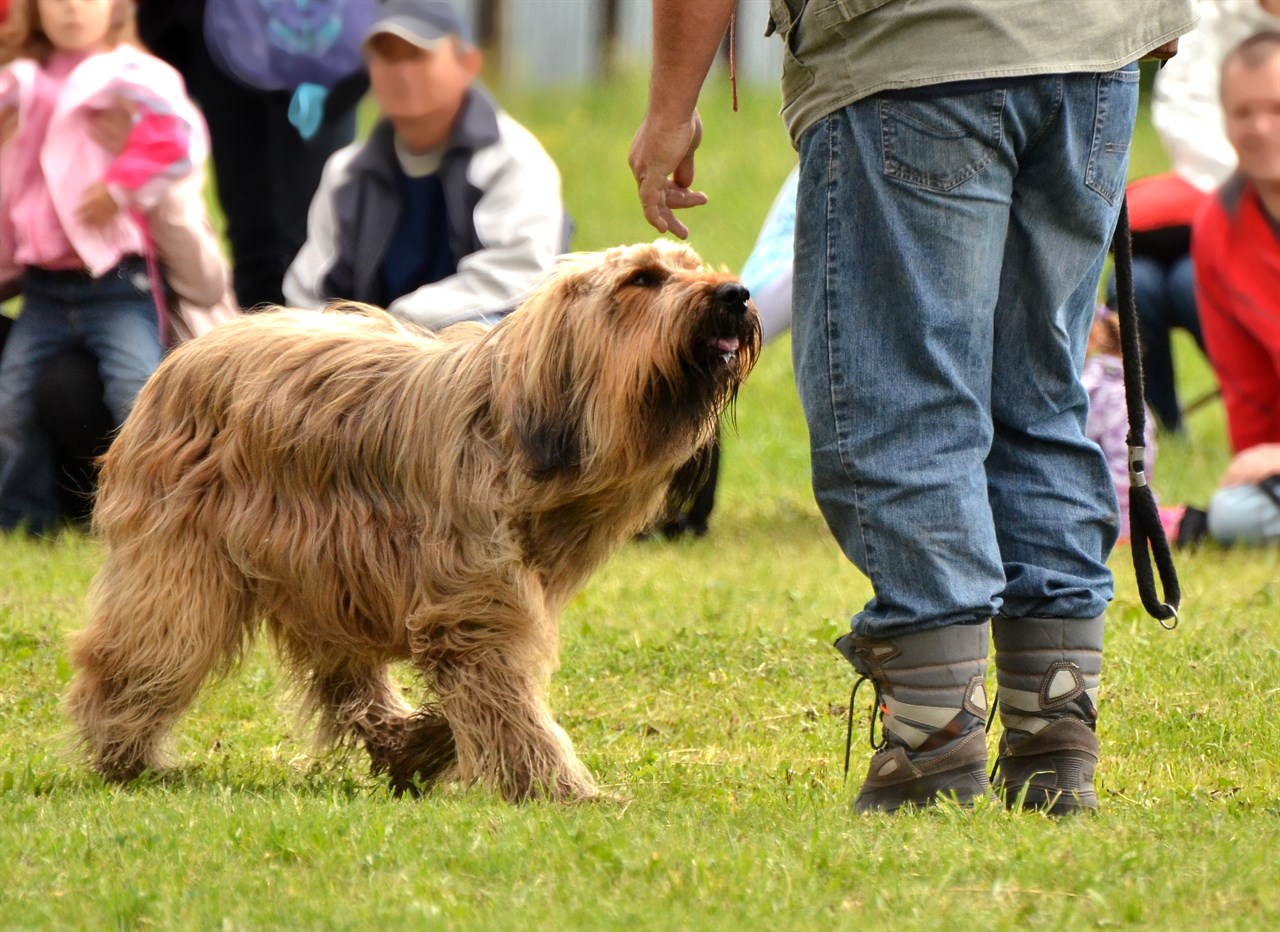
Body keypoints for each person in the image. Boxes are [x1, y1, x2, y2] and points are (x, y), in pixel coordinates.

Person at [630, 0, 1197, 814]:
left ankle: (935, 738)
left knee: (901, 402)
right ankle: (1055, 731)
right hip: (1091, 48)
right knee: (1039, 393)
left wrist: (667, 112)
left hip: (917, 49)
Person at [0, 0, 210, 534]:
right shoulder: (23, 81)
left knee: (137, 393)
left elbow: (177, 138)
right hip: (43, 289)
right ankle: (23, 514)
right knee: (12, 400)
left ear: (118, 9)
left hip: (118, 282)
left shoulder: (132, 75)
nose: (71, 7)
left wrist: (120, 186)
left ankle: (155, 517)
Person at [283, 0, 567, 329]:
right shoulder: (347, 173)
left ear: (467, 63)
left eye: (416, 54)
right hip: (364, 363)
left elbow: (517, 277)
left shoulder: (512, 160)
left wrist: (393, 327)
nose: (400, 72)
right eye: (386, 55)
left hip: (480, 360)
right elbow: (307, 296)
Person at [1107, 0, 1280, 434]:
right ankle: (1158, 429)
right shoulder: (1211, 12)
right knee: (1134, 285)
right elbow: (1182, 114)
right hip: (1212, 199)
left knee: (1192, 281)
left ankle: (1264, 415)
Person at [136, 0, 366, 310]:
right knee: (253, 236)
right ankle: (259, 351)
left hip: (322, 29)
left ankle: (328, 351)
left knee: (321, 232)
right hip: (222, 35)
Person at [1192, 31, 1280, 545]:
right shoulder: (1216, 227)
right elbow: (1246, 388)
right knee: (1234, 515)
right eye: (1243, 112)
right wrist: (1260, 462)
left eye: (1276, 108)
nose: (1260, 128)